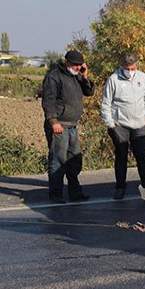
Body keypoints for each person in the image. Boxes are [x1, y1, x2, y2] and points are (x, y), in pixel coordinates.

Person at [41, 50, 95, 204]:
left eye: (80, 65)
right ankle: (56, 194)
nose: (78, 68)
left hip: (72, 126)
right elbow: (48, 101)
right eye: (76, 65)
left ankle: (75, 193)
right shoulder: (54, 77)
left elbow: (89, 92)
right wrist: (53, 121)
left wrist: (85, 76)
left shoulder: (77, 77)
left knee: (74, 161)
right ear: (67, 63)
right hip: (60, 126)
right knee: (58, 161)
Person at [100, 54, 145, 200]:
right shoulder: (114, 79)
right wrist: (111, 124)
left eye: (133, 68)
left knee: (142, 157)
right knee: (121, 157)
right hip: (120, 126)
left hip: (140, 125)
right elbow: (106, 104)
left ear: (136, 65)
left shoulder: (142, 77)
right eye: (127, 68)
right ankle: (120, 187)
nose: (130, 71)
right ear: (122, 66)